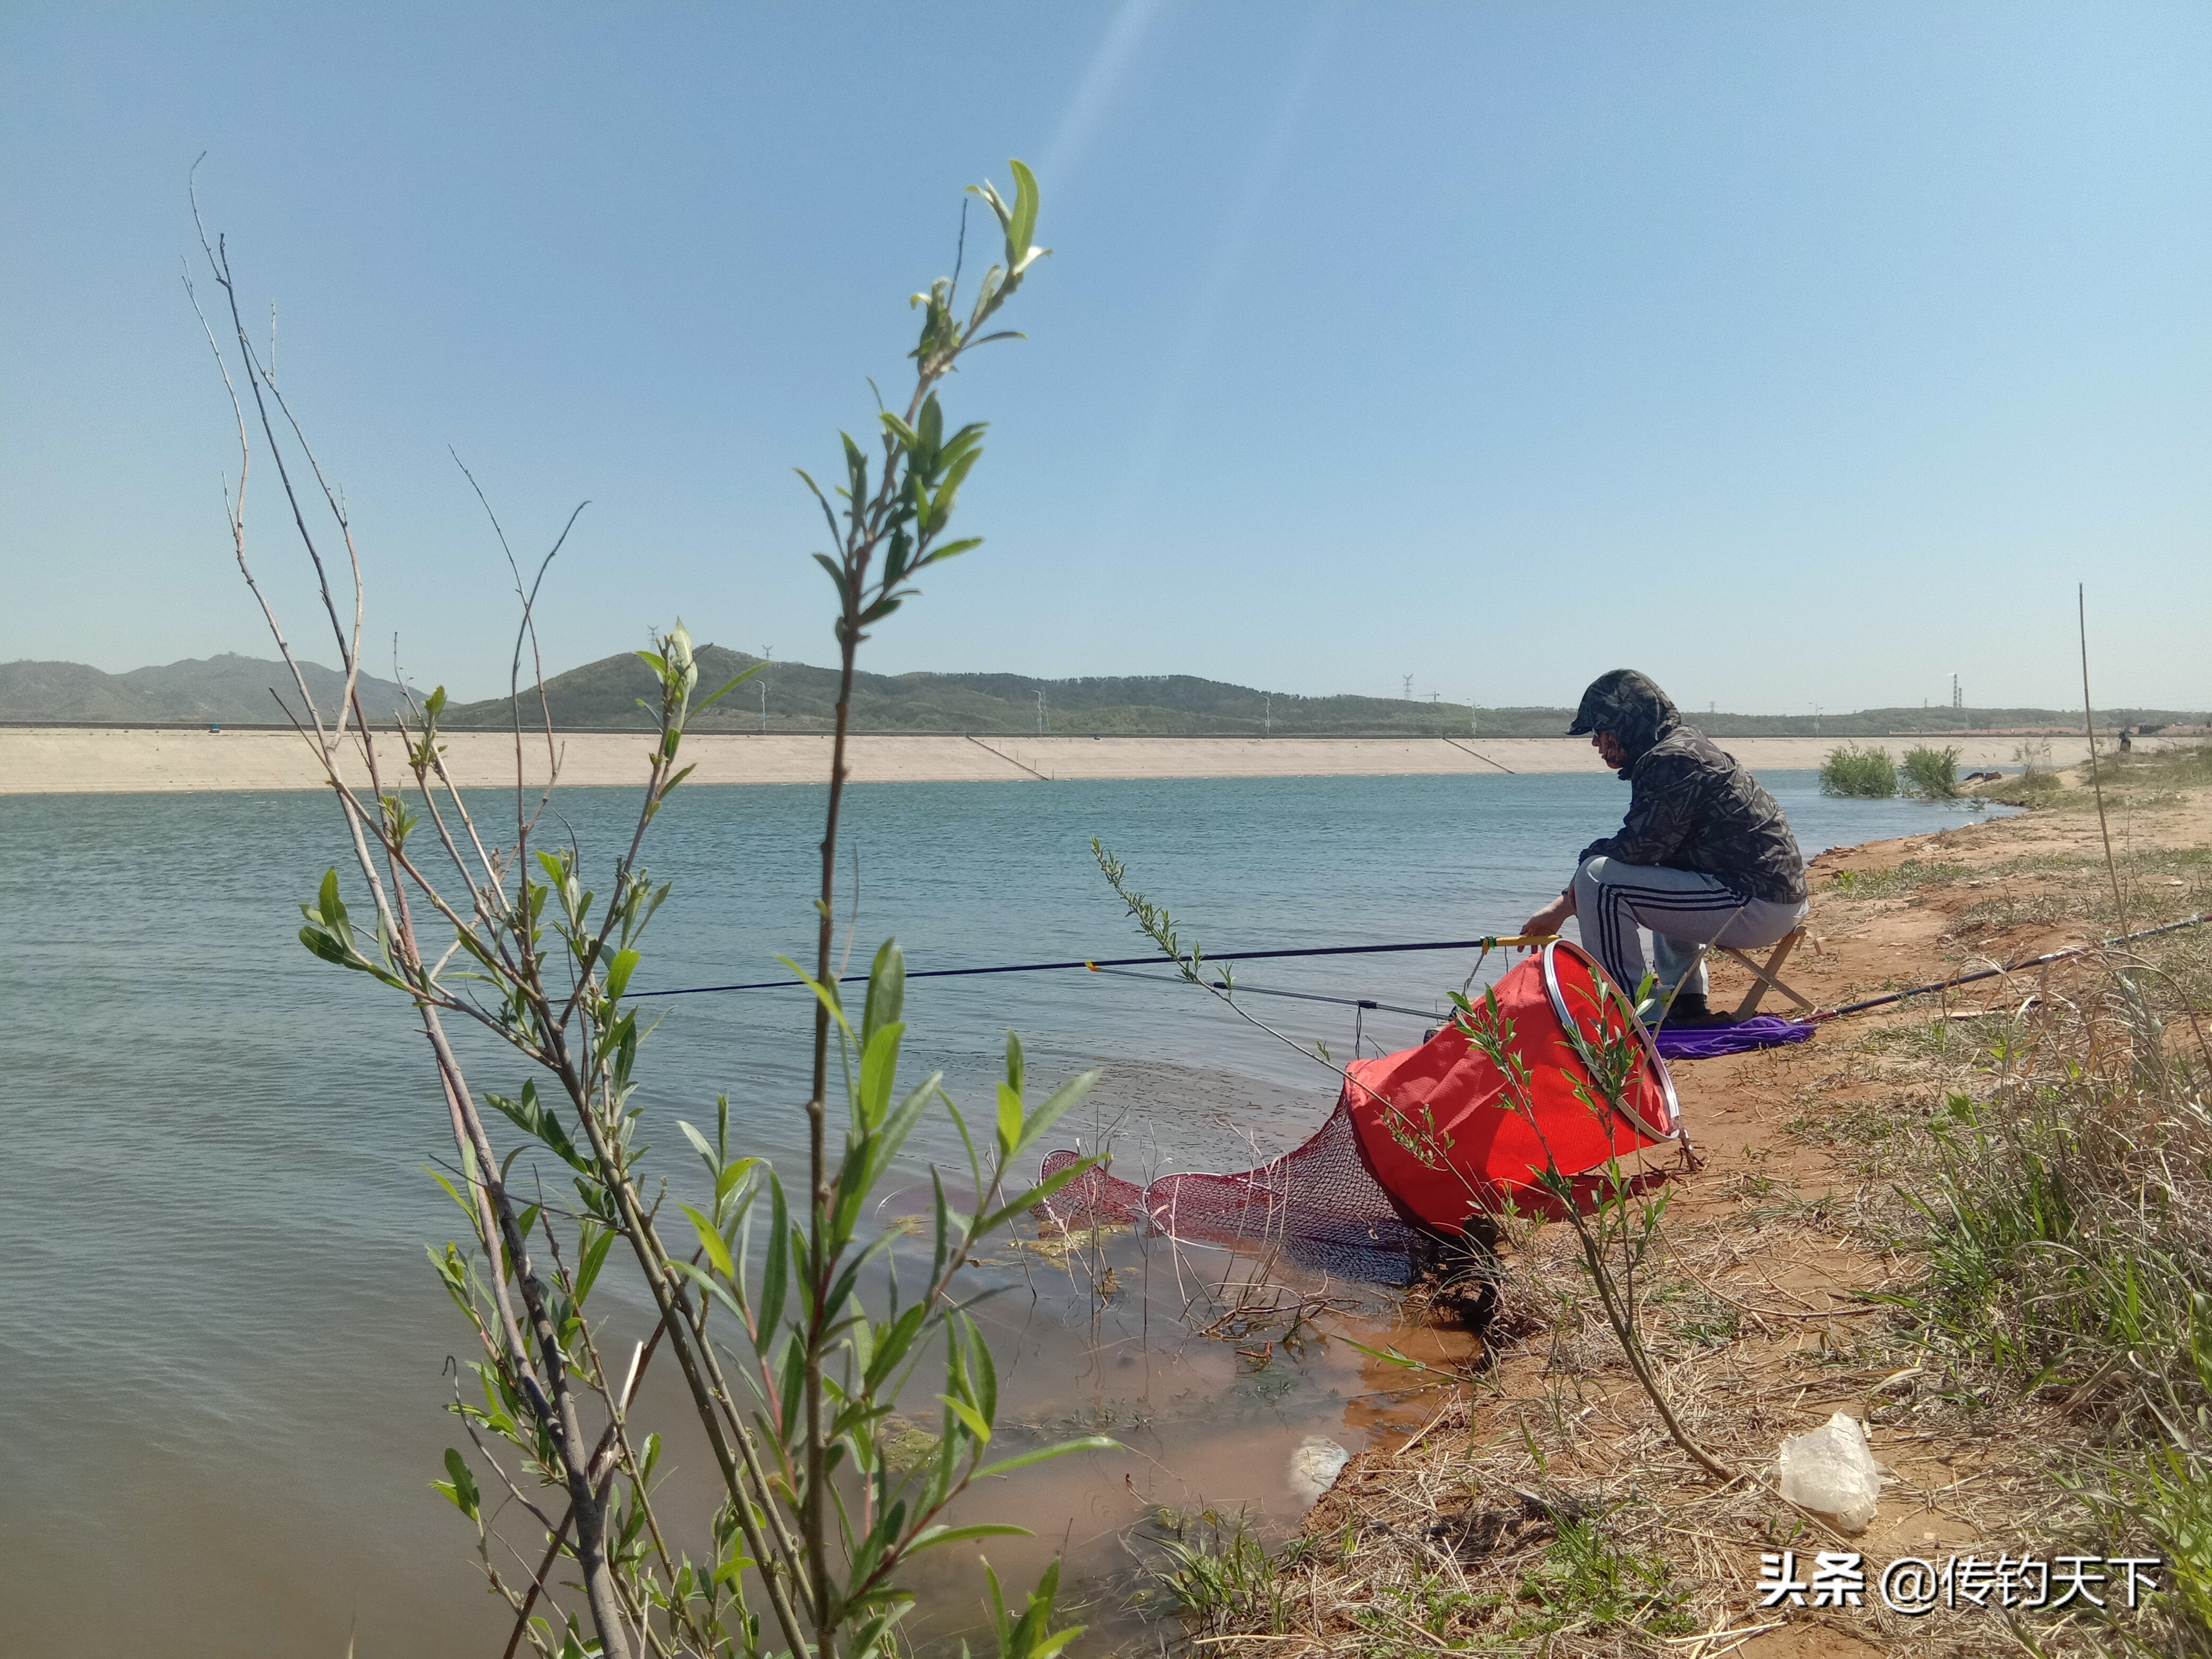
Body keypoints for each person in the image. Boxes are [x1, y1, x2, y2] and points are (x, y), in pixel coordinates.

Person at [1520, 670, 1808, 1024]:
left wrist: (1566, 900)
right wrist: (1562, 905)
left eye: (1600, 731)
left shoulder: (1671, 759)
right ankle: (1684, 1002)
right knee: (1651, 870)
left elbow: (1639, 847)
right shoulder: (1681, 745)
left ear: (1624, 725)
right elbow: (1652, 848)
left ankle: (1630, 1014)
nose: (1597, 743)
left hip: (1756, 906)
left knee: (1599, 878)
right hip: (1767, 899)